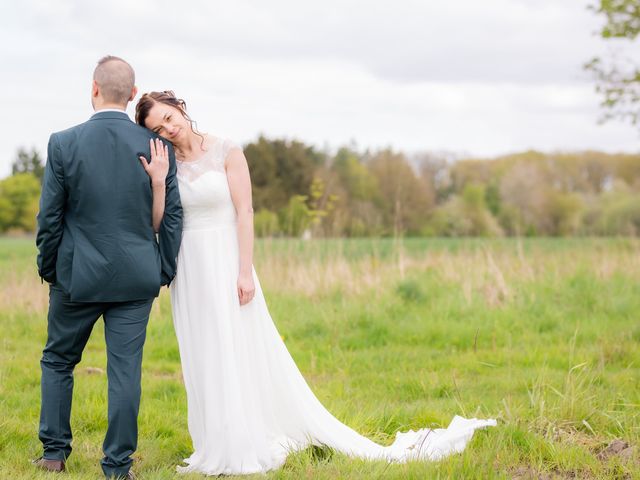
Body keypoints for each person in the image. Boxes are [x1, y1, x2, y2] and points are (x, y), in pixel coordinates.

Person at [136, 90, 496, 476]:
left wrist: (245, 271)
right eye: (158, 128)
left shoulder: (226, 149)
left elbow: (246, 211)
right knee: (203, 352)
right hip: (190, 268)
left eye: (169, 118)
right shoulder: (165, 163)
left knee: (236, 345)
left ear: (181, 108)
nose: (168, 130)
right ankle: (216, 442)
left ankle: (244, 439)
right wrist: (158, 182)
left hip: (226, 260)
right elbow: (159, 224)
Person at [34, 57, 182, 479]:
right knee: (125, 373)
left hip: (76, 277)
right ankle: (117, 467)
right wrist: (162, 270)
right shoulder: (158, 146)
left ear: (93, 89)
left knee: (59, 360)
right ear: (132, 94)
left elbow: (50, 219)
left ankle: (53, 455)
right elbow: (172, 217)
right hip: (137, 277)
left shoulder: (63, 143)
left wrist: (50, 269)